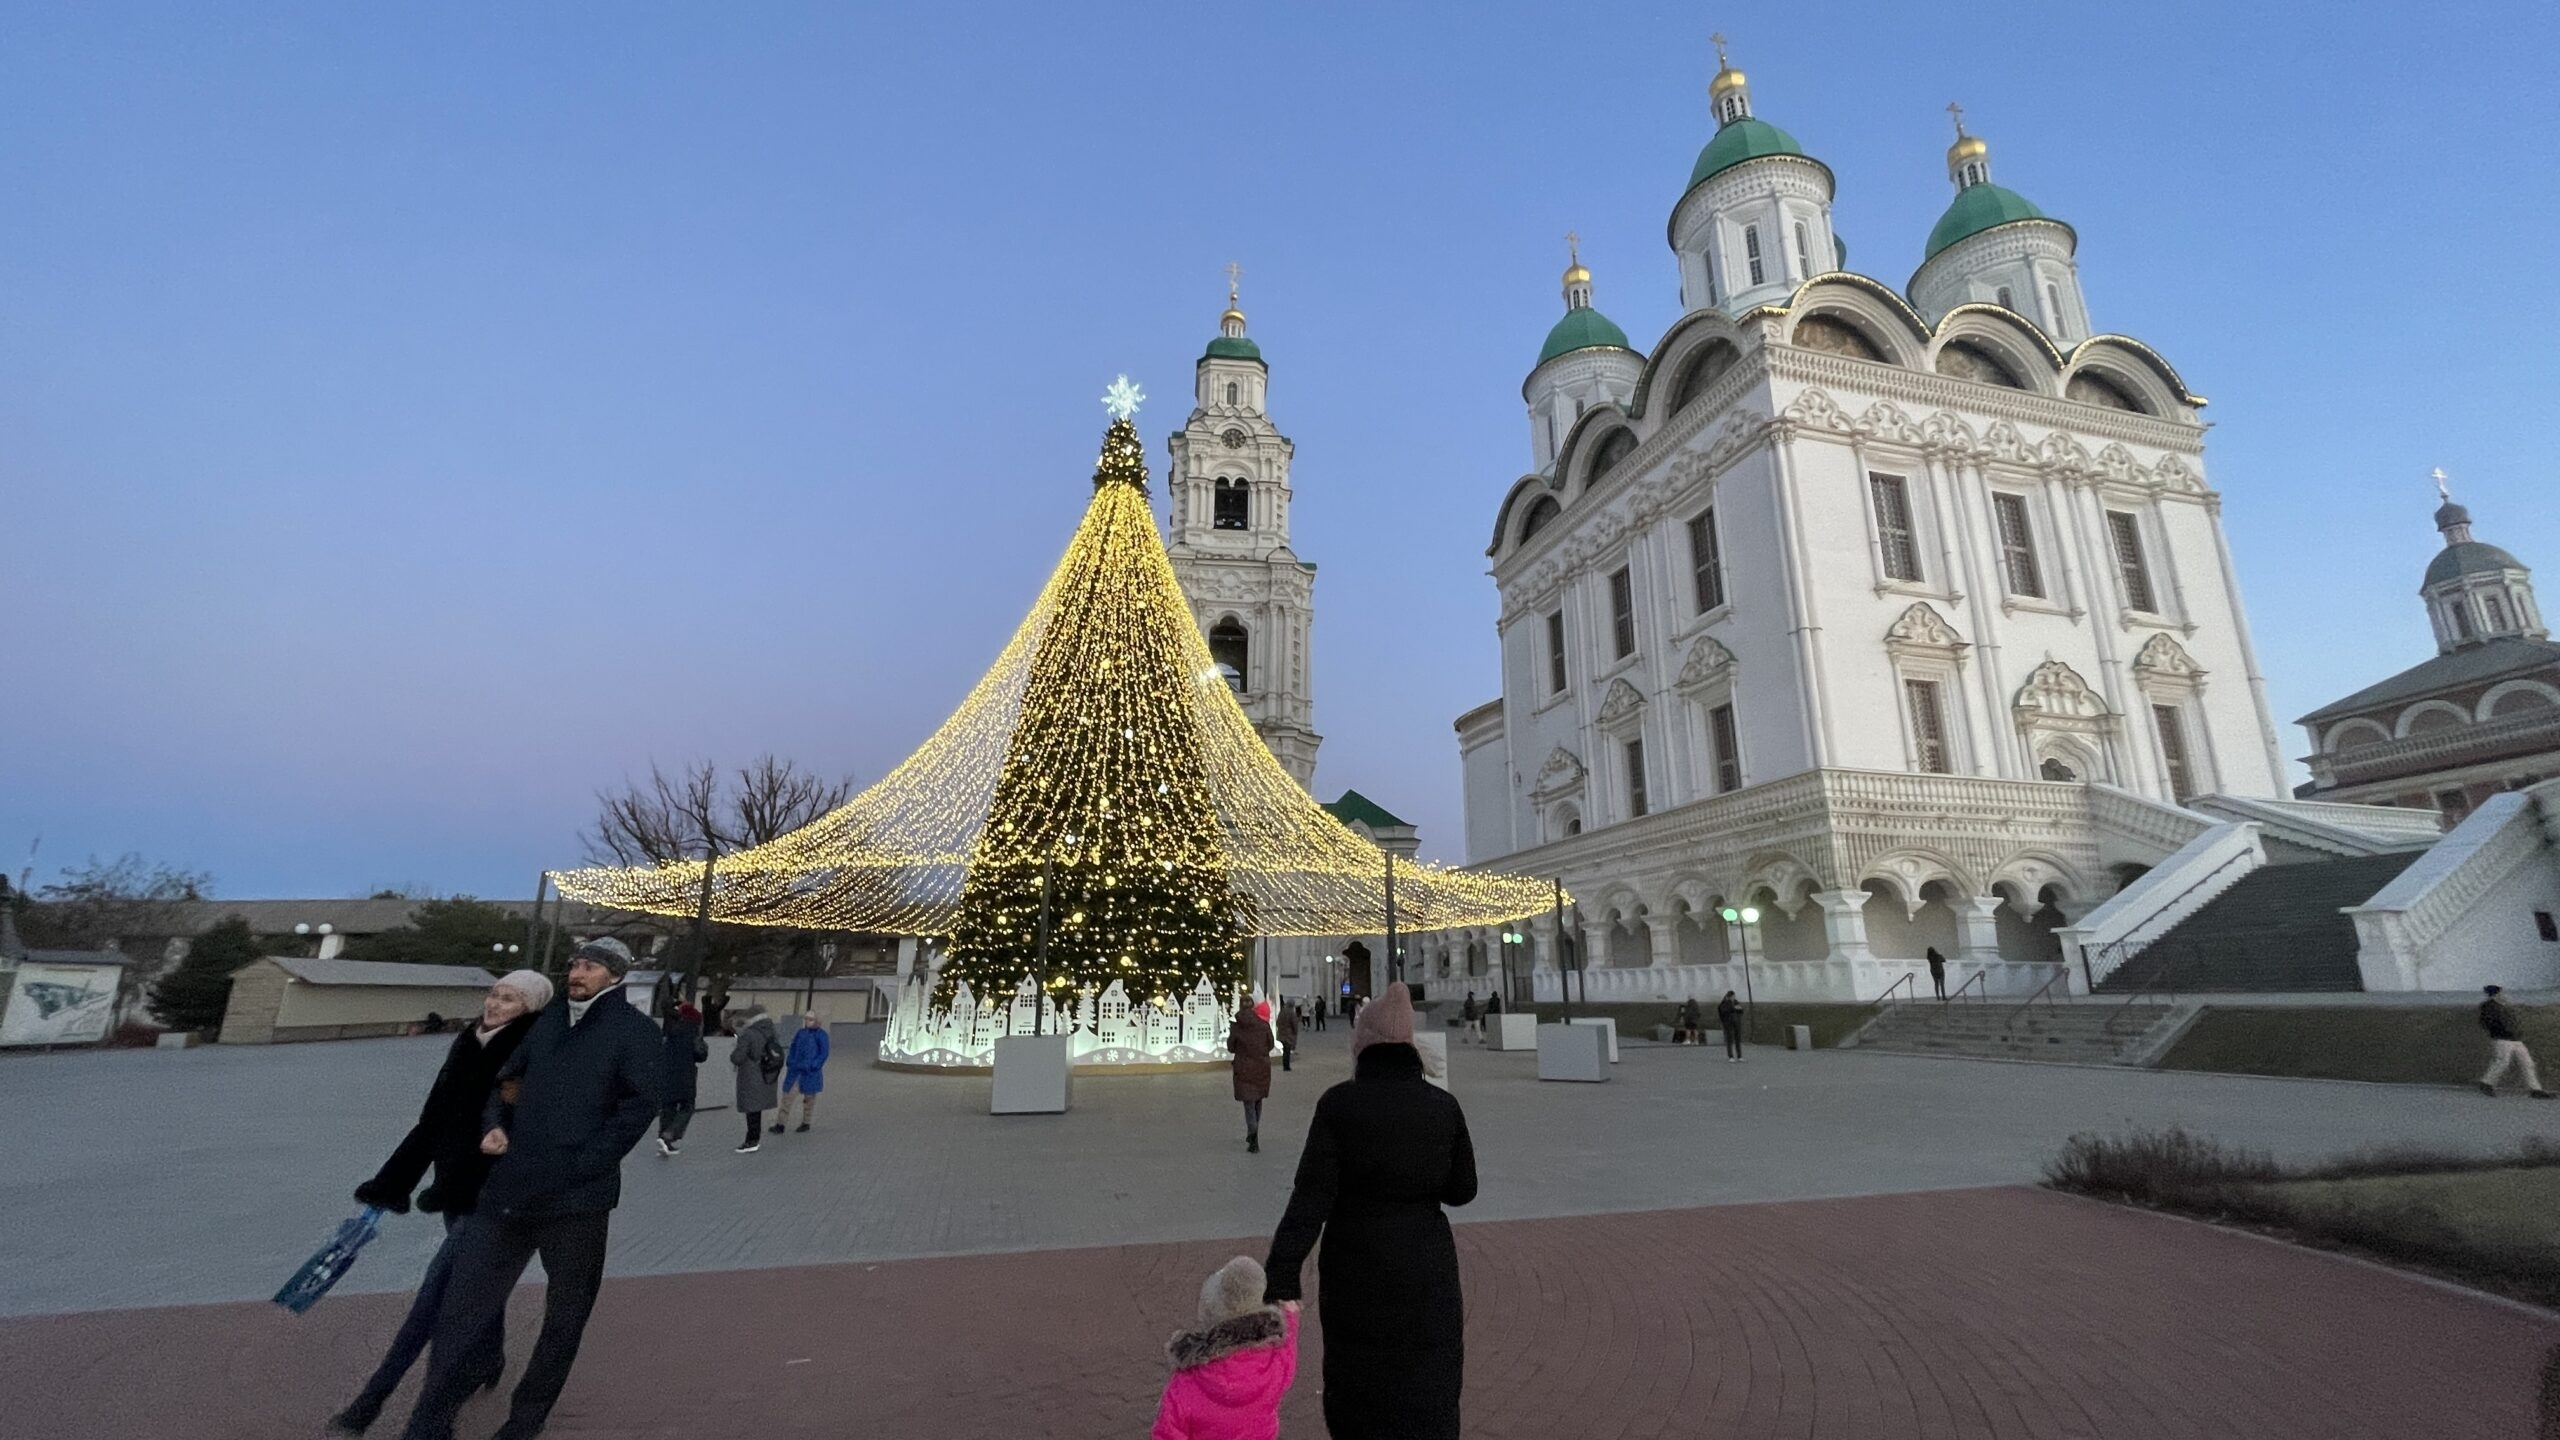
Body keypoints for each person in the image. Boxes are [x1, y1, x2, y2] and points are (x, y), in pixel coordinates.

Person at [394, 939, 659, 1440]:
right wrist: (494, 1124)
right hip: (509, 1190)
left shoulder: (636, 1032)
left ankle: (524, 1422)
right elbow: (505, 1083)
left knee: (564, 1318)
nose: (578, 973)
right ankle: (430, 1423)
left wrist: (587, 1163)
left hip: (576, 1200)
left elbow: (639, 1107)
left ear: (616, 976)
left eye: (591, 966)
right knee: (462, 1306)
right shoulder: (548, 1023)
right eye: (575, 964)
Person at [328, 971, 549, 1435]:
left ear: (529, 1008)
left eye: (509, 999)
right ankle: (489, 1355)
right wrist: (391, 1185)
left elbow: (531, 1124)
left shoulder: (533, 1049)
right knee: (470, 1289)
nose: (495, 1004)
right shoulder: (469, 1041)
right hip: (454, 1188)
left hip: (494, 1197)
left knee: (436, 1301)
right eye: (494, 994)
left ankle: (376, 1404)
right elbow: (432, 1122)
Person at [1264, 982, 1476, 1440]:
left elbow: (1310, 1198)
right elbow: (1463, 1190)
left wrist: (1282, 1273)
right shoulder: (1443, 1106)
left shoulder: (1339, 1104)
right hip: (1428, 1266)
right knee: (1429, 1379)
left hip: (1356, 1265)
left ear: (1363, 1044)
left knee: (1359, 1375)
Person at [1150, 1255, 1300, 1440]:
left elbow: (1168, 1434)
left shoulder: (1186, 1384)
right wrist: (1290, 1315)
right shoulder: (1275, 1366)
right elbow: (1288, 1347)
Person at [2478, 985, 2553, 1098]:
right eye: (2501, 992)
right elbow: (2489, 1023)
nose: (2504, 994)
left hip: (2513, 1038)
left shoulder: (2501, 1005)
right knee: (2502, 1062)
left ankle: (2535, 1089)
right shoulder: (2490, 1006)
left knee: (2527, 1063)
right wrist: (2504, 1030)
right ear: (2495, 994)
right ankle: (2486, 1083)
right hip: (2502, 1038)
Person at [654, 1000, 707, 1156]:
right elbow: (701, 1055)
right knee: (687, 1106)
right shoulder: (693, 1032)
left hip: (667, 1073)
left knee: (668, 1106)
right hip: (686, 1074)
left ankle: (664, 1140)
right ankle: (669, 1135)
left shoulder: (670, 1028)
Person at [729, 1006, 782, 1151]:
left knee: (751, 1109)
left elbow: (737, 1058)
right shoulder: (771, 1031)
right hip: (767, 1074)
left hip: (751, 1076)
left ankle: (751, 1141)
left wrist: (735, 1049)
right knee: (755, 1109)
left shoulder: (749, 1034)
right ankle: (754, 1139)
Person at [1230, 1000, 1276, 1153]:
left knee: (1248, 1103)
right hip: (1261, 1066)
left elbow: (1231, 1046)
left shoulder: (1237, 1027)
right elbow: (1270, 1044)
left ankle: (1252, 1132)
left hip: (1243, 1067)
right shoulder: (1263, 1025)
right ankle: (1254, 1131)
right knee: (1258, 1099)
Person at [776, 1013, 831, 1132]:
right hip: (796, 1070)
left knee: (809, 1099)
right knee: (787, 1097)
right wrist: (790, 1060)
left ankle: (806, 1122)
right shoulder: (801, 1033)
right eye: (806, 1019)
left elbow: (823, 1053)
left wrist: (814, 1065)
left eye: (810, 1019)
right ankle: (781, 1123)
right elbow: (793, 1046)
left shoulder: (821, 1035)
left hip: (810, 1072)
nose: (807, 1021)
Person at [1717, 989, 1744, 1062]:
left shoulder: (1736, 1002)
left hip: (1737, 1022)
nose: (1734, 998)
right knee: (1730, 1040)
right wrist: (1733, 1008)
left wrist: (1736, 1009)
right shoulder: (1723, 1003)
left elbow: (1741, 1010)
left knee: (1738, 1039)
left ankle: (1739, 1056)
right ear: (1729, 996)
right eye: (1733, 996)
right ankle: (1731, 1056)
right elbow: (1723, 1012)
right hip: (1728, 1023)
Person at [1274, 999, 1299, 1074]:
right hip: (1288, 1034)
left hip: (1281, 1033)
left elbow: (1277, 1022)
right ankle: (1286, 1066)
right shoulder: (1292, 1013)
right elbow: (1294, 1024)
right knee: (1287, 1051)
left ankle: (1285, 1065)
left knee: (1285, 1050)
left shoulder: (1282, 1011)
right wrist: (1295, 1032)